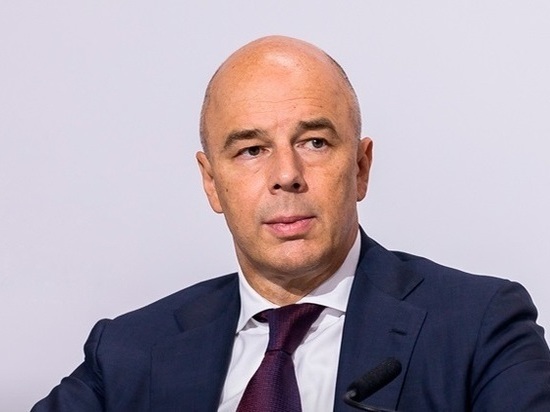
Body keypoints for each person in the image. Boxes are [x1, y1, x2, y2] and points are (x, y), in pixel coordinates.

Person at [32, 35, 550, 411]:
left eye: (314, 143)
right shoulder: (128, 352)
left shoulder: (479, 327)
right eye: (251, 150)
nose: (286, 175)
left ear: (361, 167)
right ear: (211, 182)